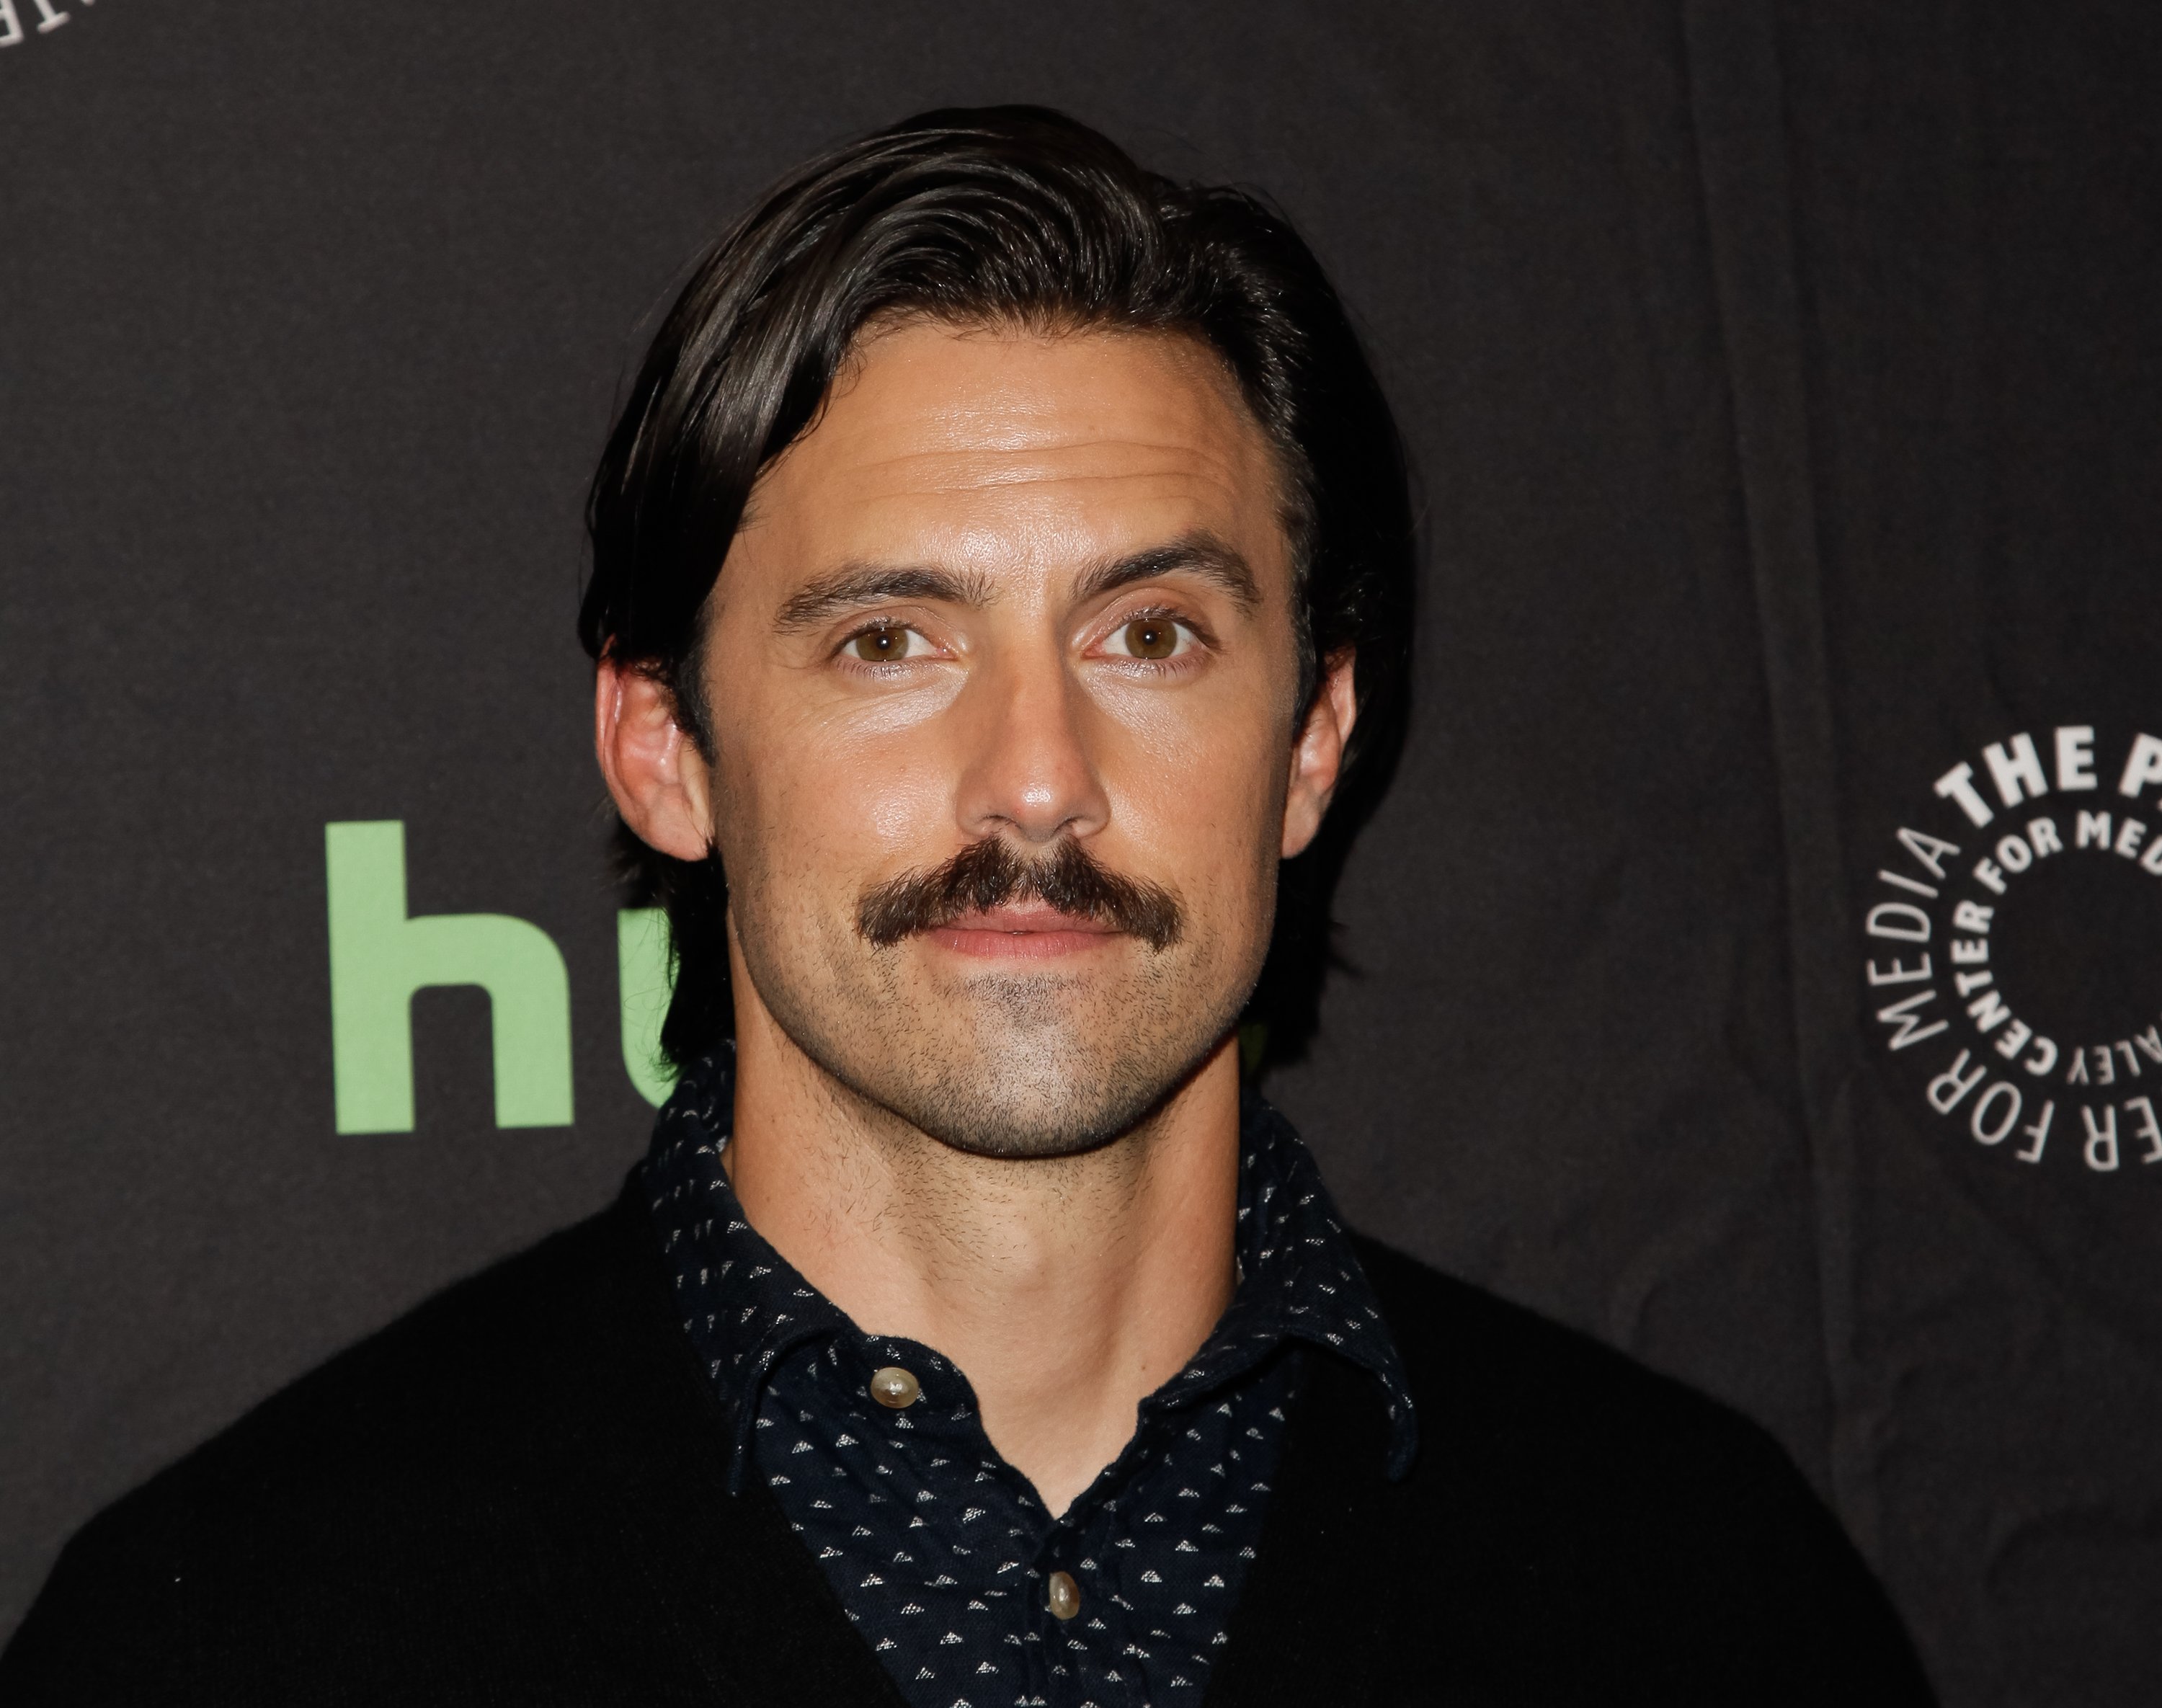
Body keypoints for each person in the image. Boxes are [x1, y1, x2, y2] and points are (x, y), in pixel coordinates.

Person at [0, 107, 1934, 1707]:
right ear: (665, 745)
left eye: (1151, 633)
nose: (1035, 776)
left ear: (1313, 741)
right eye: (891, 640)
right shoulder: (231, 1633)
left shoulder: (1701, 1595)